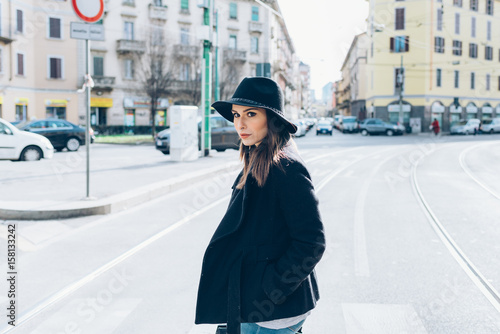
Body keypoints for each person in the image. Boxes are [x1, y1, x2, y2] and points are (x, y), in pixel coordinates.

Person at [195, 77, 326, 334]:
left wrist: (272, 288)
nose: (240, 124)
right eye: (235, 115)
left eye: (250, 114)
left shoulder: (286, 167)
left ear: (272, 120)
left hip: (274, 311)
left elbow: (312, 242)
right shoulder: (258, 155)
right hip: (254, 302)